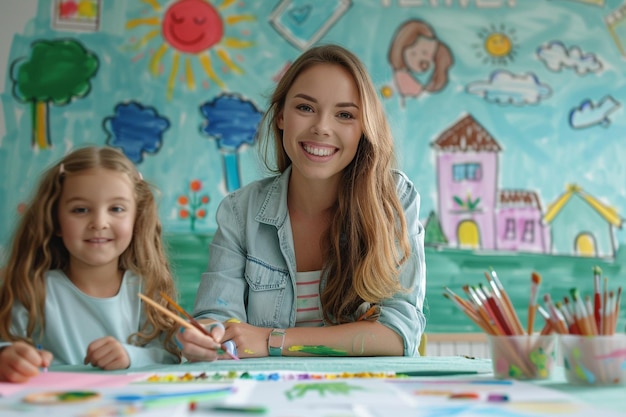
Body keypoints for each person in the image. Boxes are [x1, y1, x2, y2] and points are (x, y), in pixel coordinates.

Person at [177, 44, 426, 361]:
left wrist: (273, 341)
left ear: (364, 129)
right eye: (305, 108)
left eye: (345, 115)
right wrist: (208, 334)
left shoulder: (394, 199)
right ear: (281, 116)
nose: (322, 127)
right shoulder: (240, 211)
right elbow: (216, 314)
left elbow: (398, 334)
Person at [0, 146, 181, 382]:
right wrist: (7, 356)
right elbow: (6, 345)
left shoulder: (145, 290)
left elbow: (169, 358)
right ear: (55, 220)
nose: (99, 222)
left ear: (137, 219)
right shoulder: (31, 289)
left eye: (116, 209)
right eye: (81, 210)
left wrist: (130, 357)